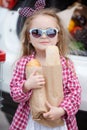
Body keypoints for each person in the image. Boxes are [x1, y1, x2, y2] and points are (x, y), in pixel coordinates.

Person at [9, 0, 81, 130]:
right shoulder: (23, 63)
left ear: (58, 37)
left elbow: (75, 93)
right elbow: (15, 94)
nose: (43, 36)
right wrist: (26, 86)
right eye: (36, 32)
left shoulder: (65, 64)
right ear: (29, 38)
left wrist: (62, 110)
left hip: (58, 119)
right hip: (30, 120)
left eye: (50, 32)